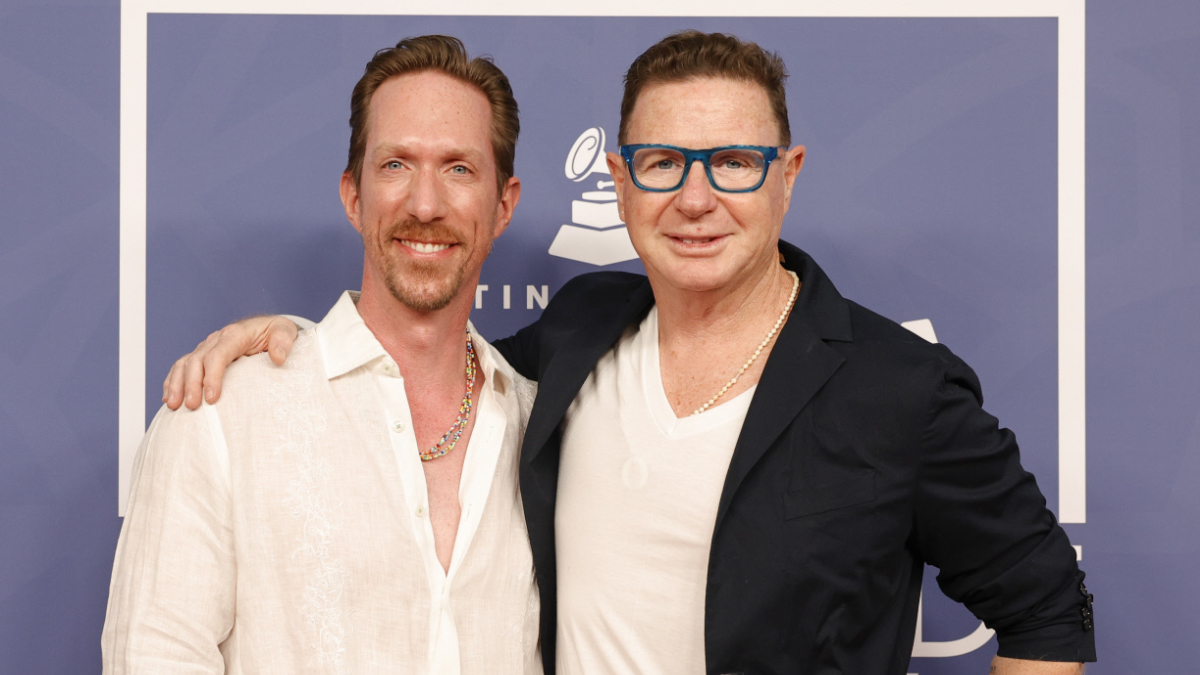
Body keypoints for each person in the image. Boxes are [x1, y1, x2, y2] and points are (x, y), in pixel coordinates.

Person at [164, 31, 1094, 675]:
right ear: (621, 179)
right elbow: (423, 356)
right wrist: (287, 341)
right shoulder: (574, 335)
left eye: (733, 161)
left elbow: (1047, 603)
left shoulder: (899, 387)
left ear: (788, 176)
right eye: (661, 161)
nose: (696, 197)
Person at [103, 36, 541, 675]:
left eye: (459, 168)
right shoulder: (223, 414)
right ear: (353, 196)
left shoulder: (543, 427)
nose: (425, 204)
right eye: (396, 165)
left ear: (503, 205)